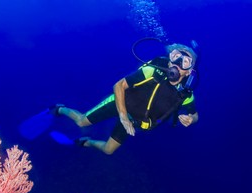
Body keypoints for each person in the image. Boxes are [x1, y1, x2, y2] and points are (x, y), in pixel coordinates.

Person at [50, 43, 199, 155]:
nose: (178, 63)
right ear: (169, 59)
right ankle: (60, 108)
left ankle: (86, 142)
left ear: (189, 72)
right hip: (120, 102)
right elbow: (119, 86)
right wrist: (122, 116)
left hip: (133, 119)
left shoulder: (184, 93)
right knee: (81, 122)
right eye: (176, 57)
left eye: (185, 61)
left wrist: (191, 119)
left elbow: (195, 114)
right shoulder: (152, 71)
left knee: (108, 150)